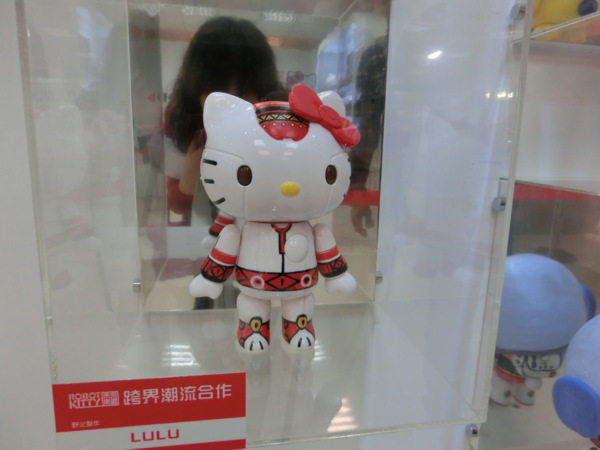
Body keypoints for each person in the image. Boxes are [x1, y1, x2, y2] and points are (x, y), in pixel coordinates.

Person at [164, 16, 282, 309]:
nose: (230, 103)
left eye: (242, 92)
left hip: (258, 243)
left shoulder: (276, 121)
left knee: (252, 303)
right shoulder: (182, 121)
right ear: (196, 86)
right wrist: (192, 169)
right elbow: (177, 205)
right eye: (216, 90)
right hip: (203, 240)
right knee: (205, 297)